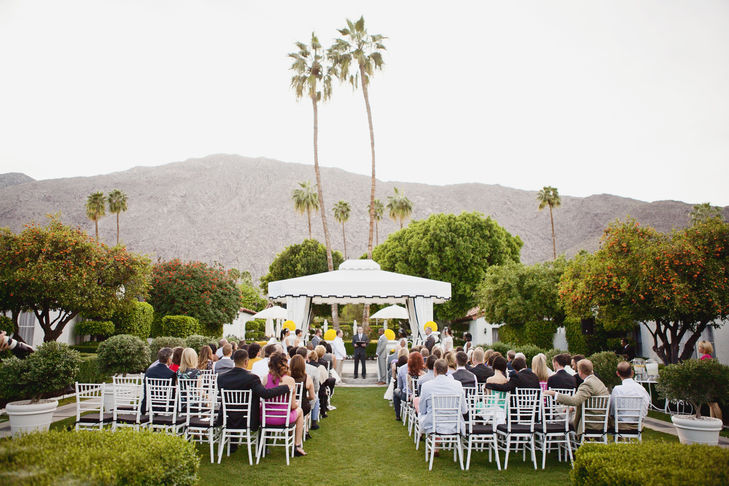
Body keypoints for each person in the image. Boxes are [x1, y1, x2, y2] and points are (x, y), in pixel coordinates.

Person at [217, 349, 290, 450]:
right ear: (246, 362)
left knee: (234, 408)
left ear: (234, 361)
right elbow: (265, 394)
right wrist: (285, 387)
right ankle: (261, 446)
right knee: (261, 411)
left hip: (227, 417)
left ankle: (233, 444)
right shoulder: (252, 378)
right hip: (247, 418)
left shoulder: (221, 378)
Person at [545, 359, 609, 435]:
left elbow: (574, 401)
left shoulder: (587, 384)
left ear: (580, 371)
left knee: (557, 415)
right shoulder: (598, 381)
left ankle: (561, 443)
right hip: (600, 419)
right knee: (563, 411)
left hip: (588, 422)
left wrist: (554, 394)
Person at [262, 352, 307, 456]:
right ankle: (297, 445)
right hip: (283, 417)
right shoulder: (289, 380)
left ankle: (264, 445)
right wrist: (297, 403)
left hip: (266, 417)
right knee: (300, 411)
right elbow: (292, 406)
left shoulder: (265, 378)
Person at [418, 359, 468, 435]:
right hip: (454, 425)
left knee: (421, 415)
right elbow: (464, 410)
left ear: (434, 369)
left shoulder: (426, 386)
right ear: (447, 369)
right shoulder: (457, 385)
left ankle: (434, 441)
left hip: (434, 425)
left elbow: (422, 410)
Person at [609, 361, 650, 432]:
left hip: (620, 424)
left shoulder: (617, 389)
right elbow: (646, 407)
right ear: (632, 373)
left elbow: (612, 411)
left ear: (617, 374)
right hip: (638, 424)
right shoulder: (641, 389)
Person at [141, 347, 176, 413]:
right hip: (165, 406)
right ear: (169, 360)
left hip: (148, 405)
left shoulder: (149, 371)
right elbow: (173, 393)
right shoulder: (171, 373)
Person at [697, 341, 722, 419]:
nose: (698, 348)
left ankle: (719, 423)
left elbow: (704, 371)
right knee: (711, 404)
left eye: (700, 347)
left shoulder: (705, 358)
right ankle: (714, 421)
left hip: (708, 384)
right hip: (710, 384)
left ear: (704, 348)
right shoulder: (708, 357)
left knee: (713, 404)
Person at [290, 355, 315, 422]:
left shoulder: (287, 377)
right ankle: (305, 430)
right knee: (306, 405)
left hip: (289, 404)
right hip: (302, 405)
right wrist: (305, 397)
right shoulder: (307, 378)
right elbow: (312, 396)